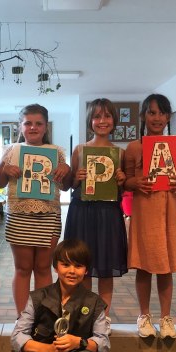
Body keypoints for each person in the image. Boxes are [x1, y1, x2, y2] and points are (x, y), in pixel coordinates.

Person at [123, 94, 176, 339]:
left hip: (170, 211)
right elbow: (124, 181)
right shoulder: (133, 147)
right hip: (145, 211)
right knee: (144, 266)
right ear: (143, 116)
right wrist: (133, 181)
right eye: (151, 113)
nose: (157, 118)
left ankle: (166, 317)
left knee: (166, 268)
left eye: (162, 113)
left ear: (168, 117)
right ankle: (144, 315)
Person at [0, 103, 71, 315]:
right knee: (22, 268)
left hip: (48, 216)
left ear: (46, 127)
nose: (33, 127)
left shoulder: (56, 152)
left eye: (39, 123)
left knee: (44, 268)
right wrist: (5, 168)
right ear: (20, 126)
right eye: (28, 123)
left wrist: (66, 170)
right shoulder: (11, 151)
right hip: (19, 216)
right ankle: (22, 316)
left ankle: (41, 315)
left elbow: (66, 186)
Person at [63, 98, 127, 330]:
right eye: (97, 116)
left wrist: (122, 180)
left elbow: (124, 187)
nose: (102, 121)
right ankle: (84, 315)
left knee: (106, 266)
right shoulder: (80, 149)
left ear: (114, 121)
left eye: (107, 116)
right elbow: (69, 184)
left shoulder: (120, 153)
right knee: (83, 267)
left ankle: (103, 317)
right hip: (82, 211)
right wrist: (76, 178)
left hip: (108, 213)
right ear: (90, 121)